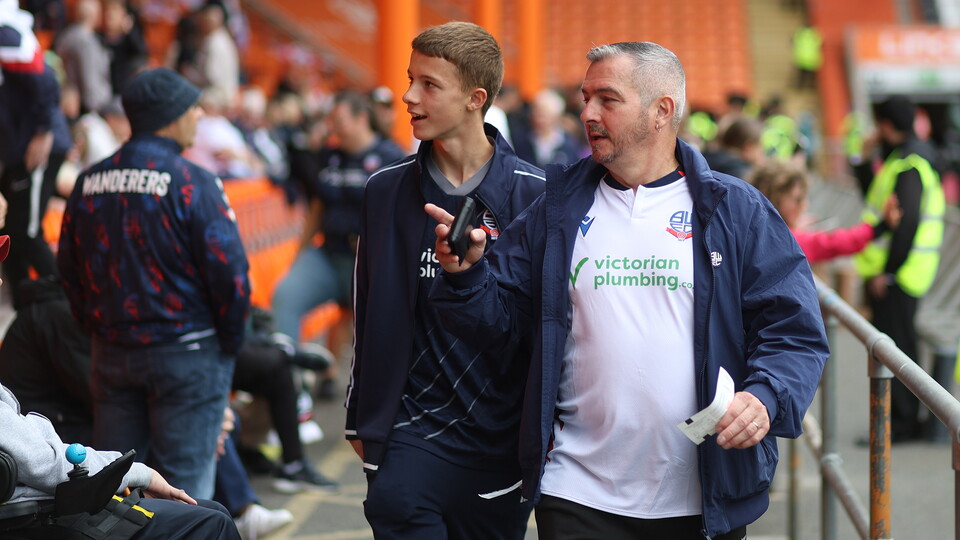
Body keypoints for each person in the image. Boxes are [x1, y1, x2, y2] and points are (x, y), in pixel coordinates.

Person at [425, 41, 829, 539]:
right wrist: (467, 275)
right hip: (577, 490)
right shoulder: (558, 208)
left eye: (607, 99)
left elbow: (795, 330)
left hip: (703, 498)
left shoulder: (735, 209)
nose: (587, 112)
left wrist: (765, 396)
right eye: (585, 96)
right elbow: (498, 326)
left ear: (662, 111)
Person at [345, 22, 545, 539]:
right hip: (410, 434)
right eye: (410, 79)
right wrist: (357, 415)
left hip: (501, 442)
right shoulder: (384, 189)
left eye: (429, 85)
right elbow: (366, 306)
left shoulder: (538, 195)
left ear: (475, 99)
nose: (409, 96)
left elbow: (546, 324)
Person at [57, 68, 251, 500]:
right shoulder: (192, 181)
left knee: (113, 492)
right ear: (169, 116)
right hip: (188, 352)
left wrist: (98, 329)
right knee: (185, 496)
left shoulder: (88, 181)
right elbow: (231, 275)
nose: (199, 115)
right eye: (191, 107)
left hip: (111, 355)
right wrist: (229, 344)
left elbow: (67, 270)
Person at [0, 235, 242, 540]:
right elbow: (47, 464)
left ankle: (245, 503)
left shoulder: (82, 311)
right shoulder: (61, 314)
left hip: (46, 495)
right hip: (38, 513)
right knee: (211, 522)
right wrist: (142, 472)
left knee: (213, 511)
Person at [271, 89, 404, 399]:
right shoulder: (330, 156)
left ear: (361, 119)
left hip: (370, 262)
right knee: (286, 296)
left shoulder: (390, 156)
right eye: (331, 120)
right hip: (330, 255)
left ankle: (376, 396)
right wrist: (300, 252)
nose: (333, 126)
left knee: (376, 331)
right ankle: (286, 390)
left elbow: (402, 214)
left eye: (339, 120)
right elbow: (317, 206)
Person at [852, 95, 946, 443]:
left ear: (886, 126)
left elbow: (905, 226)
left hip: (900, 275)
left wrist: (888, 272)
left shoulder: (909, 165)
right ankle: (904, 421)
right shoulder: (902, 159)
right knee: (896, 348)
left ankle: (902, 425)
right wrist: (861, 156)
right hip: (900, 273)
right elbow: (871, 196)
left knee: (896, 352)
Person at [0, 0, 72, 308]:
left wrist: (43, 130)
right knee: (14, 236)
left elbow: (46, 80)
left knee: (27, 233)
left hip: (36, 146)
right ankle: (25, 315)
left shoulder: (4, 32)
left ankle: (71, 313)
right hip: (18, 148)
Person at [749, 160, 901, 264]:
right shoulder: (783, 241)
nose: (804, 205)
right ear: (774, 199)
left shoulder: (753, 226)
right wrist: (878, 228)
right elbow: (829, 244)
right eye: (797, 200)